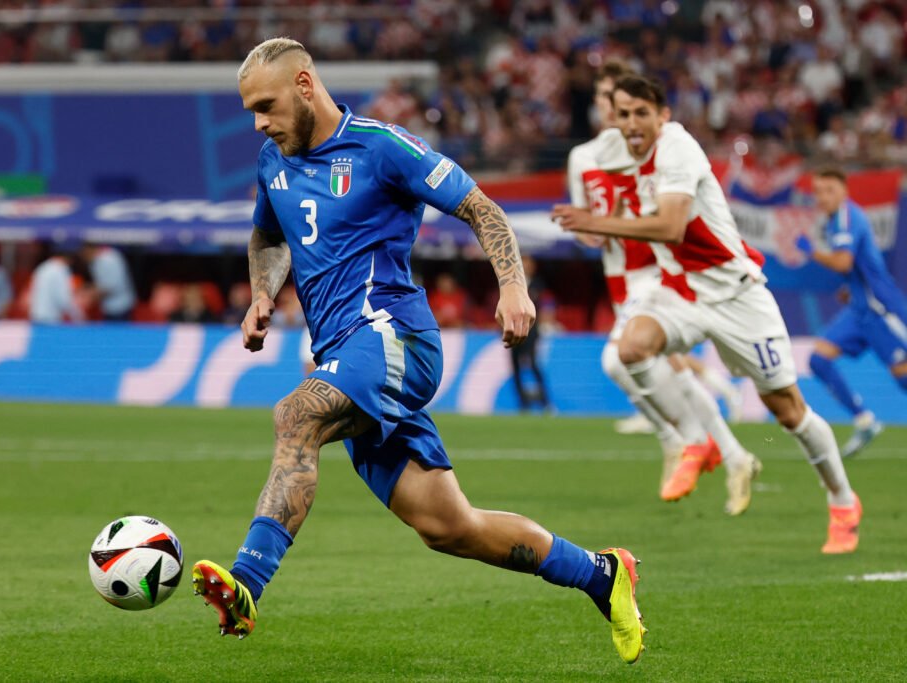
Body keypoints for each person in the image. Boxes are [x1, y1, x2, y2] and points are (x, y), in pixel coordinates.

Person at [191, 38, 646, 664]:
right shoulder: (273, 160)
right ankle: (602, 574)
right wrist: (262, 294)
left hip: (394, 337)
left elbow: (482, 209)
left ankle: (247, 583)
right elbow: (269, 234)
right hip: (344, 357)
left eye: (265, 106)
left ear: (304, 85)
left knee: (294, 416)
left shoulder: (384, 149)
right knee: (450, 528)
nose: (259, 123)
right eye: (250, 112)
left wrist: (513, 285)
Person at [552, 75, 862, 554]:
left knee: (788, 411)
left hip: (736, 295)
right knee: (630, 349)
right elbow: (602, 200)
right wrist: (590, 223)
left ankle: (842, 501)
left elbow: (672, 226)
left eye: (641, 113)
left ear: (662, 116)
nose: (631, 123)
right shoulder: (606, 153)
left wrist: (594, 222)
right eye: (623, 113)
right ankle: (697, 440)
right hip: (680, 292)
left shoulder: (678, 149)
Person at [566, 61, 759, 514]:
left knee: (619, 361)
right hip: (618, 274)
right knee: (663, 367)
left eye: (624, 101)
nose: (615, 109)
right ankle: (732, 455)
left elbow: (669, 209)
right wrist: (587, 230)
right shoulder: (583, 157)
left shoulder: (655, 149)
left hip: (655, 270)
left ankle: (682, 440)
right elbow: (586, 220)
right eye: (605, 98)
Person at [799, 168, 907, 458]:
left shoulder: (847, 217)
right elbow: (855, 267)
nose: (823, 197)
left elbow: (844, 262)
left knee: (903, 377)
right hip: (859, 310)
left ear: (844, 191)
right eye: (818, 191)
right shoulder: (834, 222)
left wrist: (812, 253)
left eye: (829, 190)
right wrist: (850, 289)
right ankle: (865, 420)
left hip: (881, 310)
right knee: (819, 359)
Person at [510, 255, 551, 412]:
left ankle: (545, 402)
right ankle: (523, 403)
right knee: (515, 367)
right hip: (513, 329)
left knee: (533, 364)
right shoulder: (510, 284)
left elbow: (545, 305)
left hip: (532, 331)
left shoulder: (538, 284)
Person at [80, 243, 136, 322]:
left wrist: (89, 294)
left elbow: (112, 286)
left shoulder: (109, 259)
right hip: (109, 307)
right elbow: (101, 283)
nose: (83, 256)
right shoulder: (94, 262)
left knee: (119, 333)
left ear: (89, 250)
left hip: (120, 307)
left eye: (84, 252)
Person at [29, 246, 83, 324]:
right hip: (51, 318)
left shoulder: (42, 267)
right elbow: (63, 299)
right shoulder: (61, 269)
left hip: (36, 315)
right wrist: (78, 316)